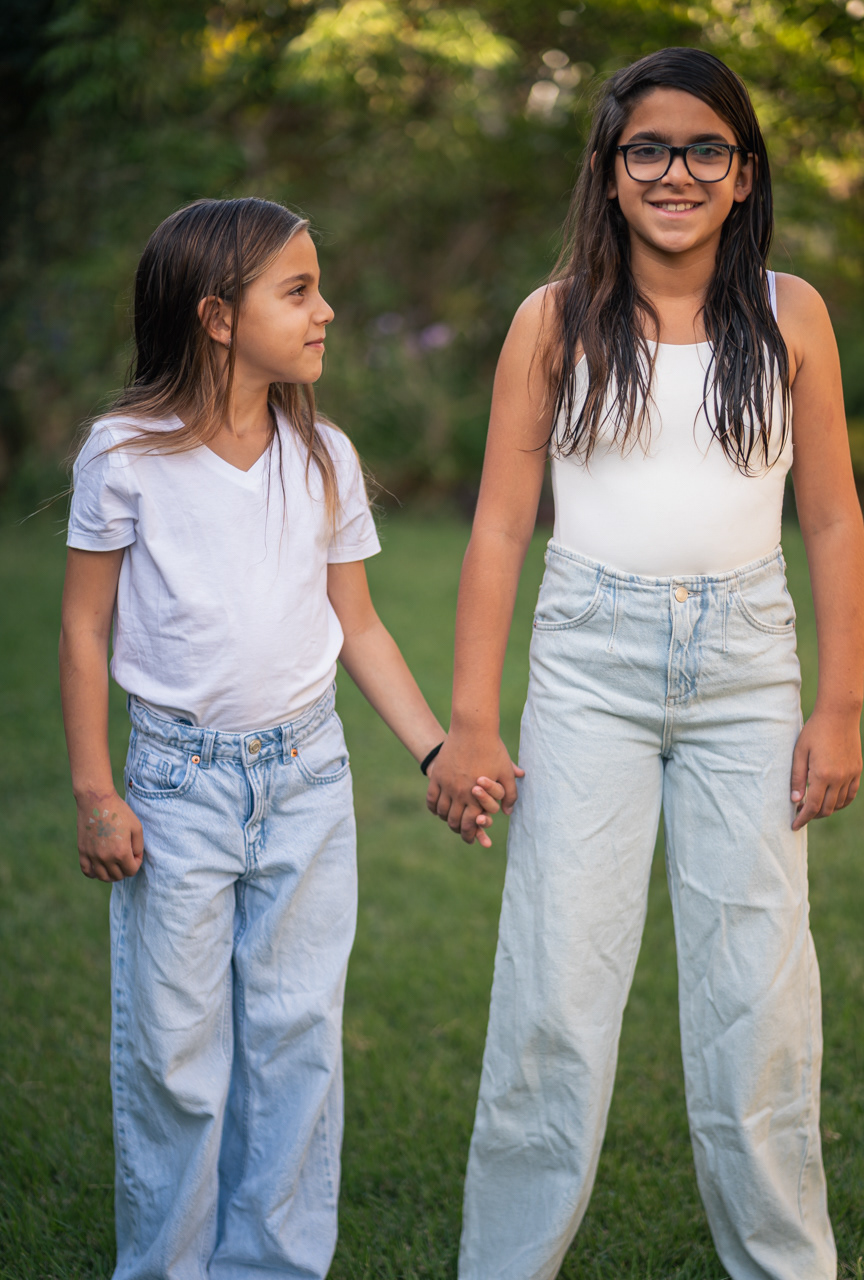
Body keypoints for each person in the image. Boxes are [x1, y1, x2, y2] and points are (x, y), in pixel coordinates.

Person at [427, 47, 864, 1280]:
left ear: (745, 173)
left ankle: (786, 1263)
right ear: (609, 171)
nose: (677, 172)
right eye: (649, 149)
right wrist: (472, 717)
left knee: (759, 1001)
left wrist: (838, 704)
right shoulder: (554, 319)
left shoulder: (792, 315)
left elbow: (833, 519)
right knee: (554, 992)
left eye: (705, 149)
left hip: (748, 674)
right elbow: (501, 526)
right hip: (589, 672)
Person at [59, 196, 507, 1280]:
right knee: (176, 1055)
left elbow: (359, 625)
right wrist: (96, 791)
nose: (326, 311)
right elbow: (82, 628)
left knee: (296, 1038)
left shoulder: (324, 456)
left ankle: (271, 1263)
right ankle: (167, 1264)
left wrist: (436, 750)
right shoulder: (125, 454)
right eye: (298, 291)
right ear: (218, 316)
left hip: (306, 780)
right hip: (176, 788)